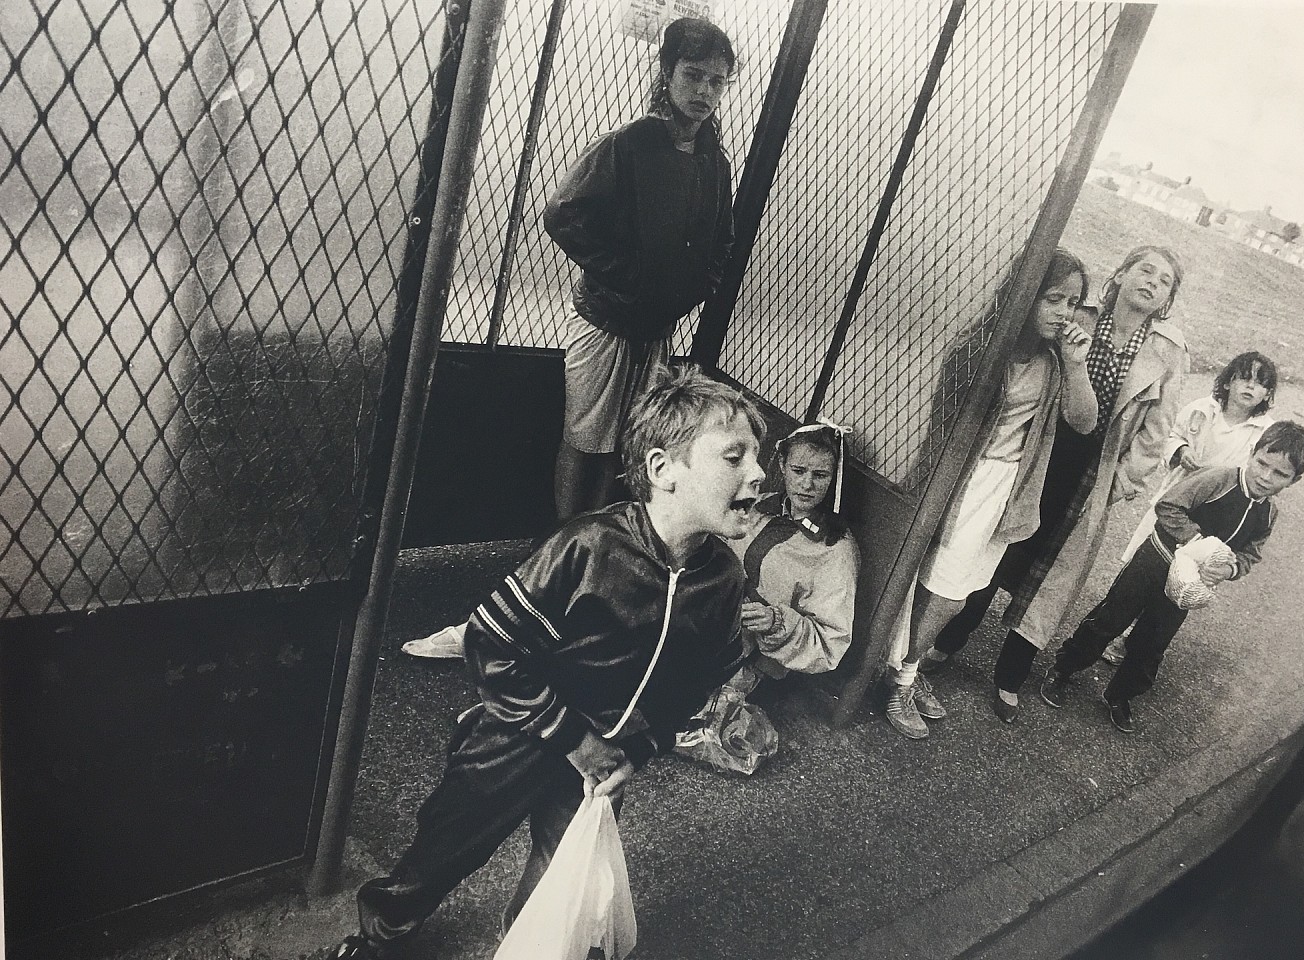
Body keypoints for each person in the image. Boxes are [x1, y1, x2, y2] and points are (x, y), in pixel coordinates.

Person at [332, 367, 765, 959]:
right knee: (448, 844)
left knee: (562, 863)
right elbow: (492, 642)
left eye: (757, 458)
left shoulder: (723, 579)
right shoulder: (587, 546)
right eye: (735, 456)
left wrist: (637, 750)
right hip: (518, 738)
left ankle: (529, 945)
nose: (758, 474)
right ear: (663, 470)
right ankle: (383, 931)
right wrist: (571, 737)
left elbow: (700, 681)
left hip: (607, 754)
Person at [924, 245, 1189, 723]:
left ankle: (1009, 676)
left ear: (1168, 297)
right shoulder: (1079, 313)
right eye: (1144, 270)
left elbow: (1157, 431)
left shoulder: (1168, 352)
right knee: (1000, 546)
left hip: (1095, 474)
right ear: (1122, 273)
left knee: (1051, 578)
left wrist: (1122, 483)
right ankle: (946, 642)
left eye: (1164, 280)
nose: (1151, 282)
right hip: (1041, 448)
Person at [884, 249, 1098, 738]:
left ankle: (907, 668)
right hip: (968, 482)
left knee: (962, 590)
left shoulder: (1054, 359)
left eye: (1073, 302)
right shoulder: (981, 348)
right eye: (1053, 298)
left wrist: (1076, 364)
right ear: (1024, 294)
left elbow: (1083, 422)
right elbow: (946, 428)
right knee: (944, 588)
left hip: (1010, 487)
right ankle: (900, 677)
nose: (1064, 312)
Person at [544, 17, 737, 521]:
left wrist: (696, 286)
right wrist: (626, 276)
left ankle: (601, 535)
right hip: (605, 320)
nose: (704, 90)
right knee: (585, 438)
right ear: (667, 72)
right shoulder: (626, 145)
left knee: (628, 442)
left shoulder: (715, 162)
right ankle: (565, 540)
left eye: (717, 80)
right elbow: (564, 214)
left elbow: (723, 238)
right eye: (693, 74)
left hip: (654, 329)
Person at [1039, 420, 1304, 733]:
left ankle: (1121, 694)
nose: (1266, 477)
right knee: (1111, 618)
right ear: (1252, 453)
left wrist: (1228, 568)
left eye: (1280, 474)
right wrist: (1195, 541)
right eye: (1262, 463)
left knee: (1154, 641)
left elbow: (1251, 553)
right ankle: (1064, 667)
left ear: (1295, 479)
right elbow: (1168, 505)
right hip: (1156, 559)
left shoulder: (1268, 514)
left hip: (1188, 583)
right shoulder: (1220, 479)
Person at [678, 421, 861, 747]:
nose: (807, 484)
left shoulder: (836, 549)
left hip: (762, 656)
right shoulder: (759, 506)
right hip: (712, 619)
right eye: (799, 470)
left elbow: (830, 642)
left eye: (820, 476)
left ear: (835, 479)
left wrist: (777, 620)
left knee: (690, 715)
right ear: (781, 465)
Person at [1103, 351, 1277, 665]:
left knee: (1181, 576)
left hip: (1215, 517)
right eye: (1244, 378)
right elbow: (1171, 433)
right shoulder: (1201, 410)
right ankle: (1115, 623)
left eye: (1260, 384)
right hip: (1178, 500)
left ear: (1267, 394)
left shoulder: (1263, 431)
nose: (1250, 387)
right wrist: (1180, 450)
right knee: (1143, 563)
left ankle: (1133, 640)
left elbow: (1257, 473)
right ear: (1229, 380)